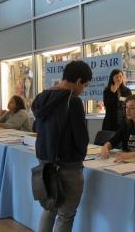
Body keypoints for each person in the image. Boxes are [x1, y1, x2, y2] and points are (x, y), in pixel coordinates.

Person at [32, 60, 92, 232]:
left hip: (45, 164)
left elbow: (37, 127)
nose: (83, 90)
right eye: (84, 85)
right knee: (65, 216)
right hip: (68, 166)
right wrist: (80, 156)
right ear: (78, 80)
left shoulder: (42, 98)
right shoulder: (73, 102)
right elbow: (81, 138)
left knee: (49, 208)